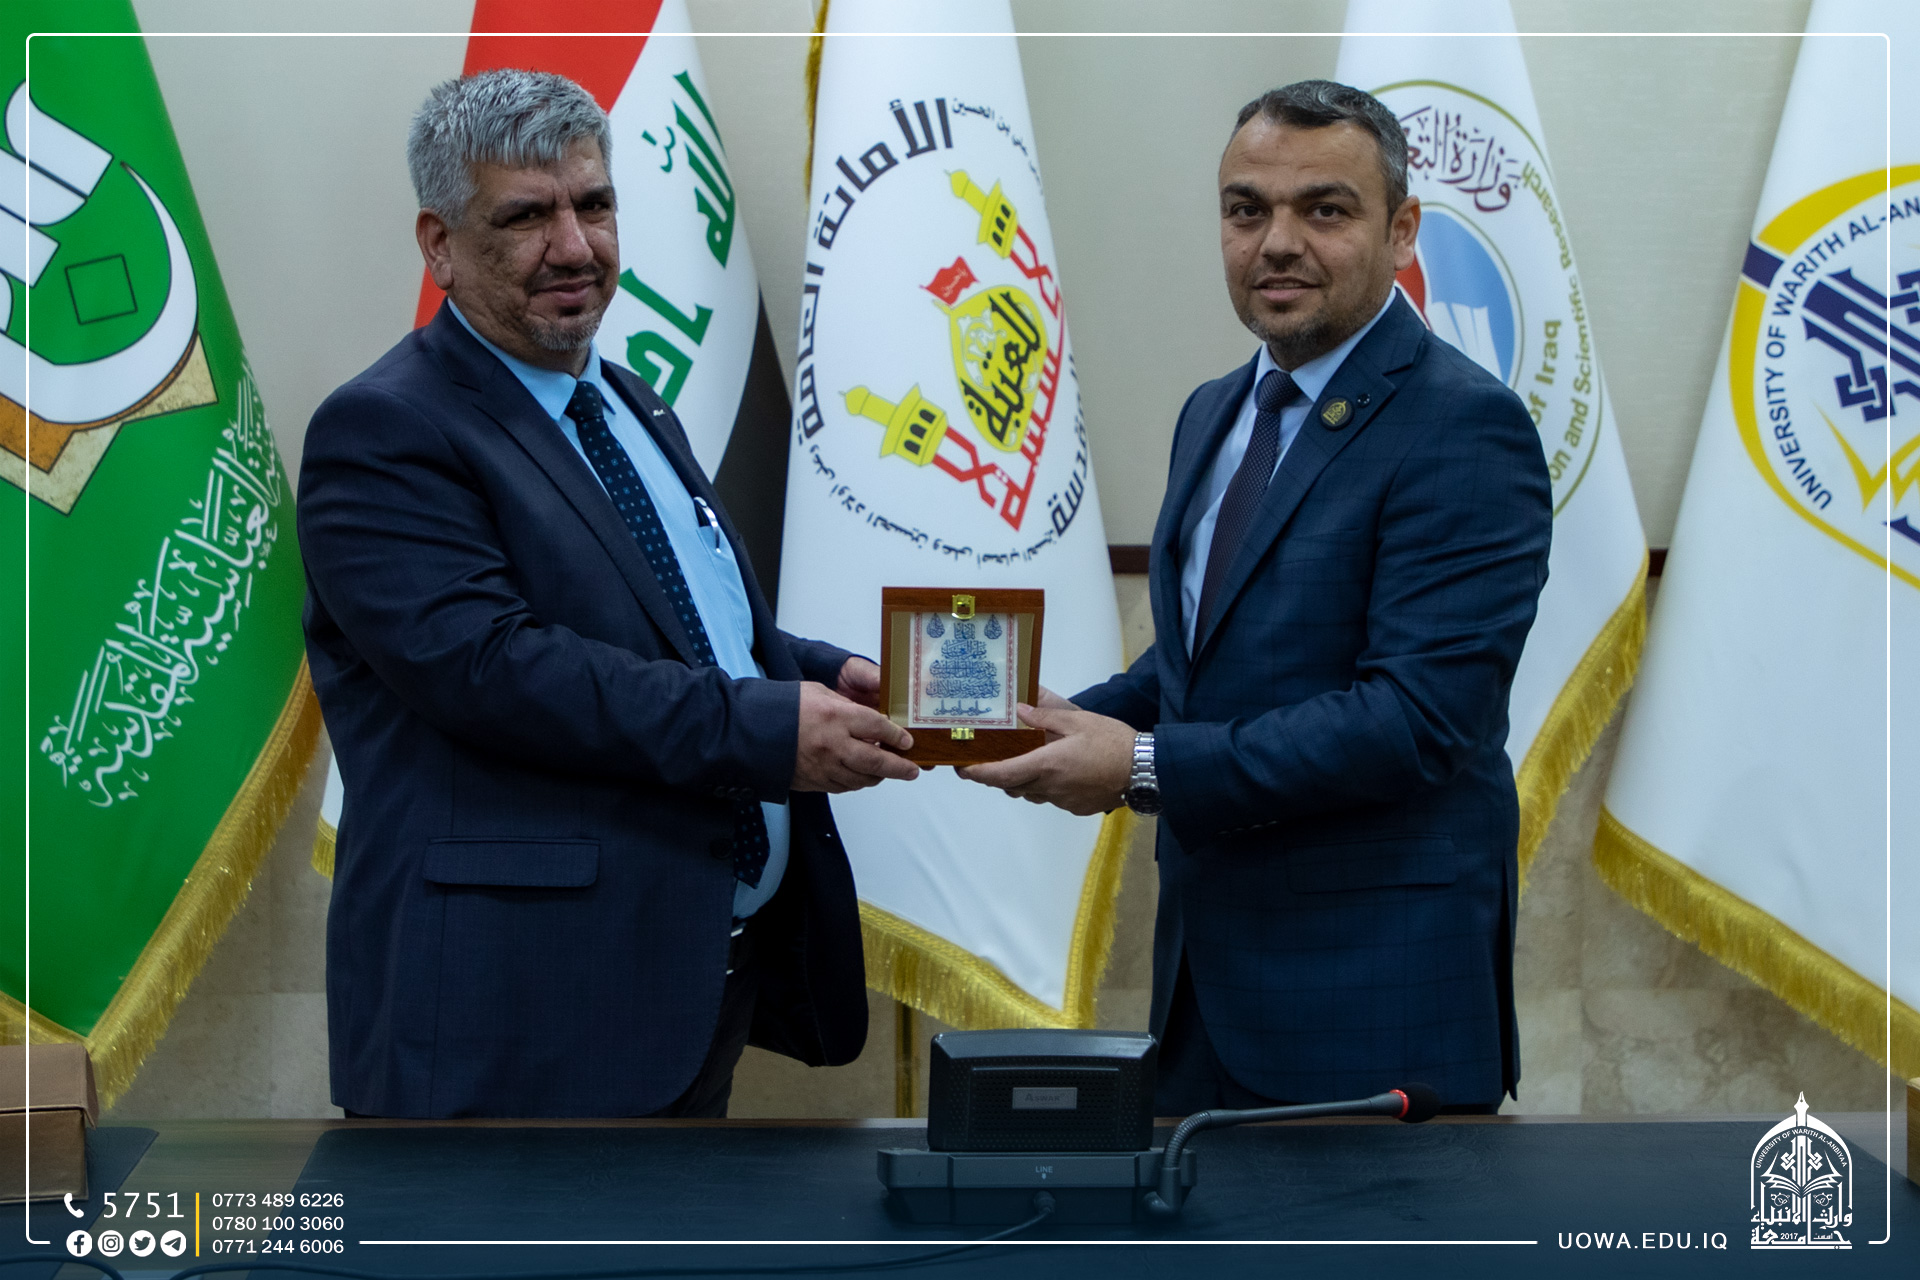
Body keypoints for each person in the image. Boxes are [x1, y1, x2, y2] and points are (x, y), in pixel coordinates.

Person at [298, 70, 919, 1119]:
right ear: (439, 244)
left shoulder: (622, 399)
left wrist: (815, 672)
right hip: (512, 1019)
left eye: (594, 204)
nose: (575, 246)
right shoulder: (383, 430)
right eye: (526, 217)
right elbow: (494, 669)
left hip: (680, 989)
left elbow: (671, 617)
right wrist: (765, 725)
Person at [960, 81, 1552, 1114]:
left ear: (1402, 230)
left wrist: (1139, 765)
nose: (1278, 242)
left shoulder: (1465, 425)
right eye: (1247, 210)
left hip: (1372, 999)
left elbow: (1416, 720)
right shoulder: (1215, 410)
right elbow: (1204, 654)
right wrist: (1047, 722)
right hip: (1204, 986)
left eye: (1325, 209)